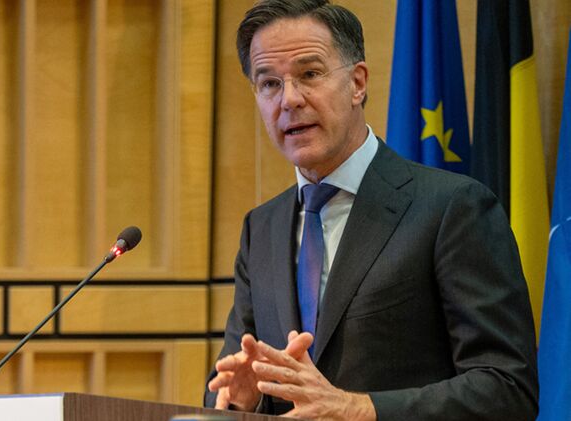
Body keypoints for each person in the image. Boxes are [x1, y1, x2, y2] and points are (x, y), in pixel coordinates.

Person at [204, 1, 539, 420]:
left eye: (310, 74)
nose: (289, 99)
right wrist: (243, 398)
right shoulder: (262, 229)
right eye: (269, 83)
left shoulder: (452, 207)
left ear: (357, 83)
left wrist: (359, 409)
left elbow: (507, 388)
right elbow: (227, 386)